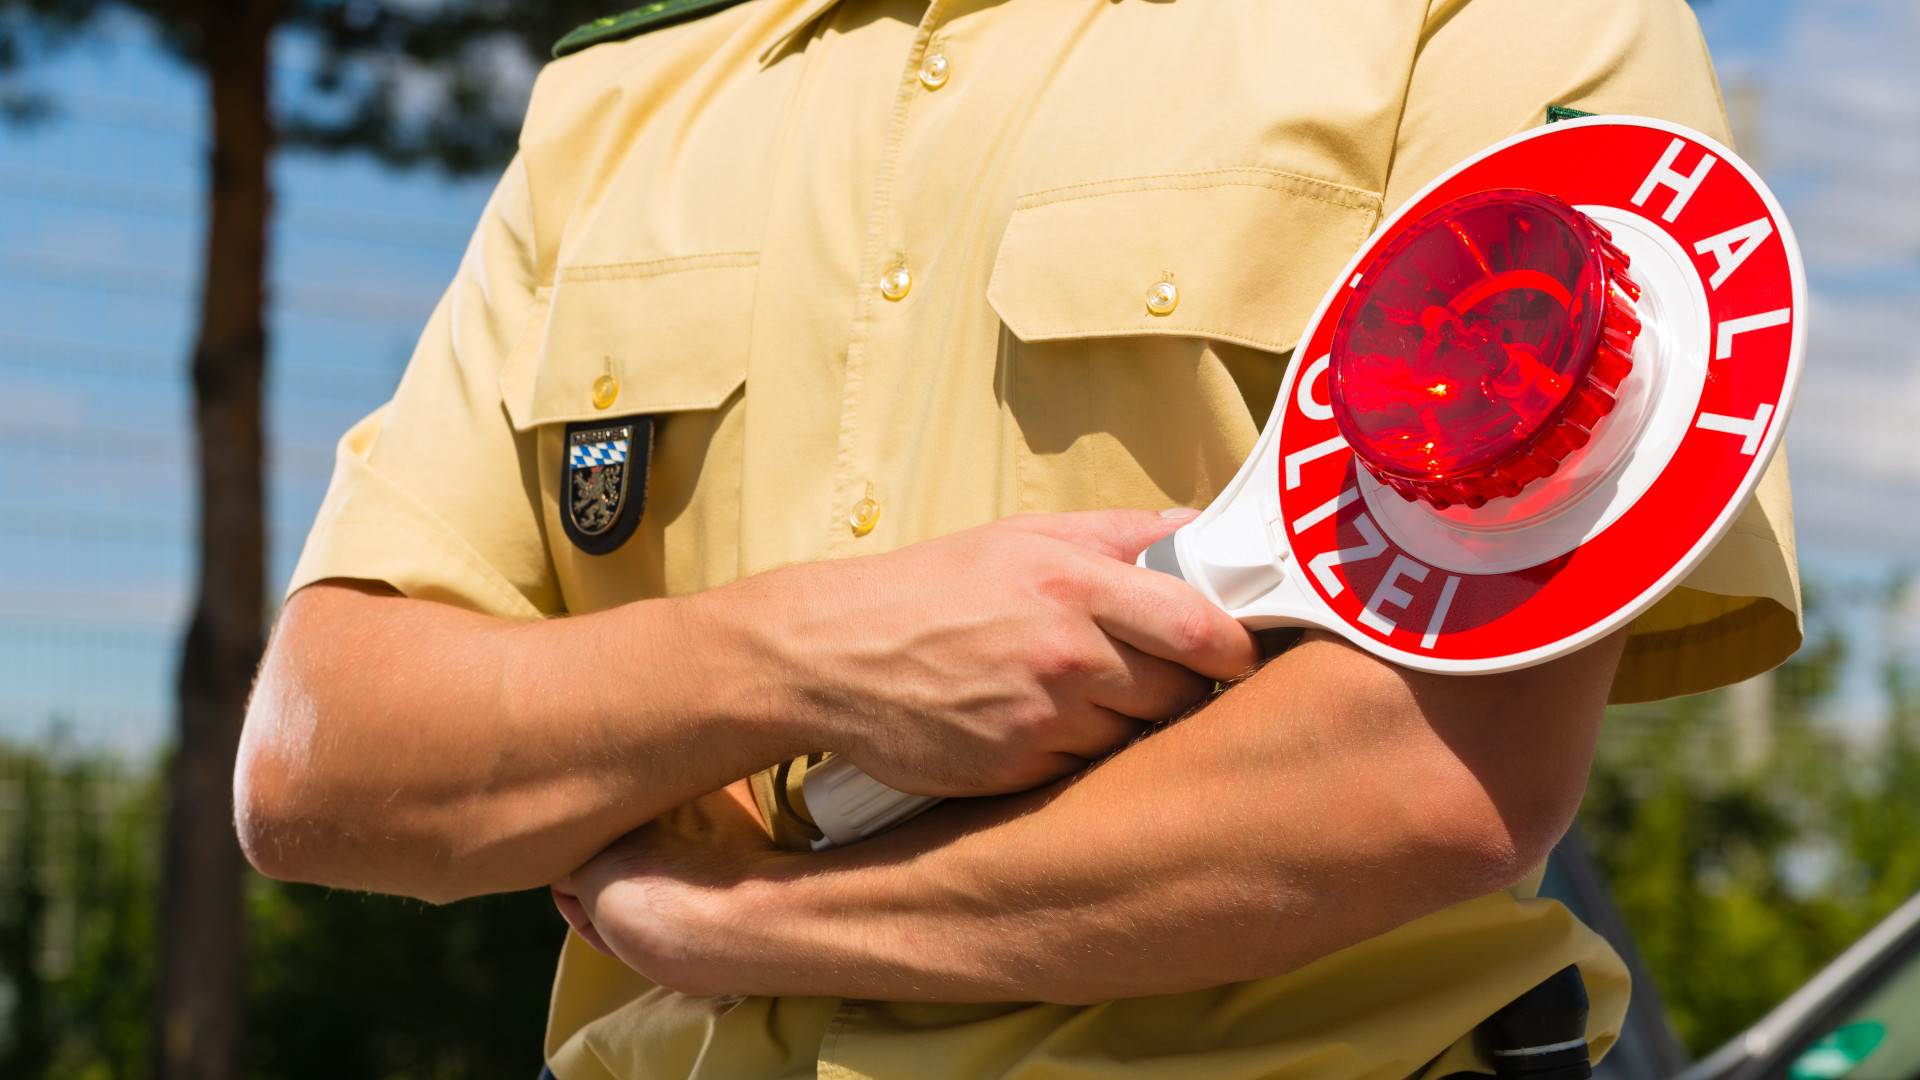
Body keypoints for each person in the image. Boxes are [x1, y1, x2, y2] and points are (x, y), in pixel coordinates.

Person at [234, 0, 1803, 1077]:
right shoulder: (619, 101)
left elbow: (1437, 770)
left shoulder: (1470, 19)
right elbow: (330, 762)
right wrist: (809, 657)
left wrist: (747, 925)